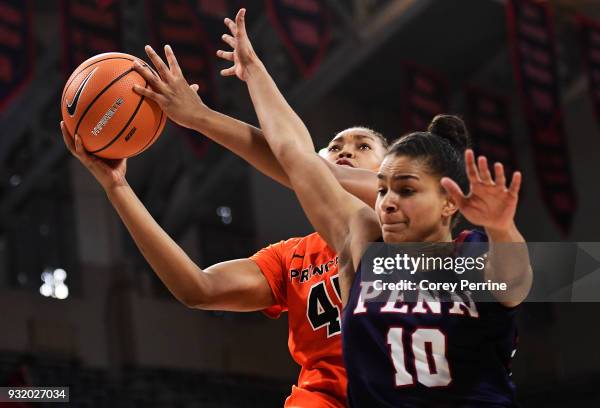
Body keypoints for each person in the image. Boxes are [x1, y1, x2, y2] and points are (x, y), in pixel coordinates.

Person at [218, 8, 532, 407]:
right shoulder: (363, 245)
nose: (386, 202)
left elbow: (515, 282)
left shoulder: (469, 256)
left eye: (405, 190)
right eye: (381, 190)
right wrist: (254, 74)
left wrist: (503, 228)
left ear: (449, 202)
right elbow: (295, 157)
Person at [60, 48, 386, 407]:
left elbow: (298, 159)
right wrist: (117, 188)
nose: (345, 150)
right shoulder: (292, 258)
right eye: (335, 145)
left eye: (362, 145)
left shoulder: (402, 223)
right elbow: (197, 288)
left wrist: (201, 115)